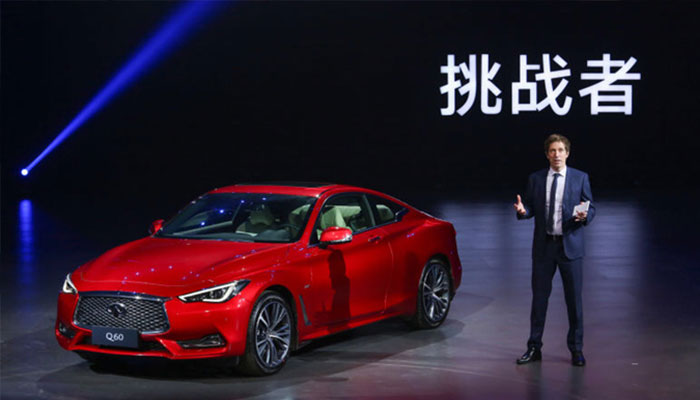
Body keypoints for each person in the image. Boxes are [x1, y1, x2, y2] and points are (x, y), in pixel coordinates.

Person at [513, 134, 595, 367]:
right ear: (547, 154)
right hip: (544, 247)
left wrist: (585, 215)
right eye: (552, 150)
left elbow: (591, 207)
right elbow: (530, 206)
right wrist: (523, 211)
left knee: (574, 302)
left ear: (567, 153)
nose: (556, 154)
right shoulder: (536, 179)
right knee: (539, 300)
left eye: (560, 150)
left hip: (570, 248)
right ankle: (534, 347)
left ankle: (576, 349)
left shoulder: (580, 178)